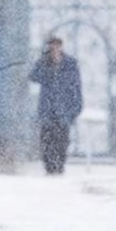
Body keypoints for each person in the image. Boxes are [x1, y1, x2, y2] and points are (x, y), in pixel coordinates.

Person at [29, 36, 82, 174]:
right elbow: (33, 76)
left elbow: (76, 85)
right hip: (47, 108)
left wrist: (76, 106)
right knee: (47, 139)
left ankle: (59, 165)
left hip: (64, 108)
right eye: (52, 46)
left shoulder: (70, 63)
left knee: (62, 139)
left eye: (57, 45)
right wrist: (44, 62)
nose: (54, 48)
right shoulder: (44, 63)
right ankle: (49, 166)